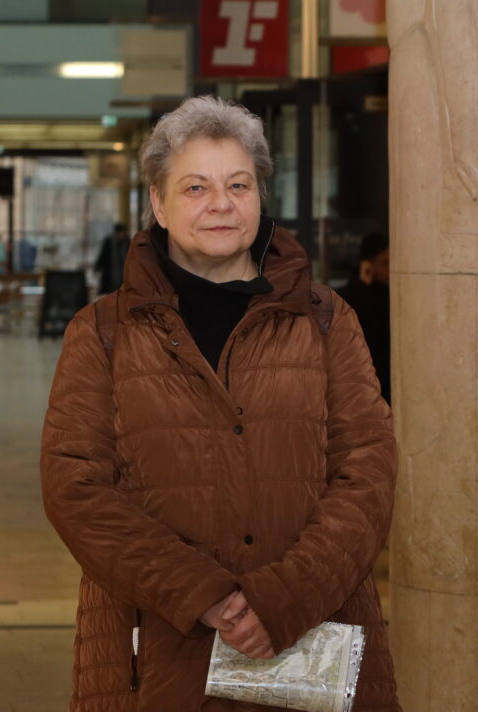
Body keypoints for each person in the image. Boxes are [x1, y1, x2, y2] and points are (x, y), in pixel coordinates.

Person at [40, 96, 400, 711]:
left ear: (260, 196)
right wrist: (201, 593)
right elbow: (75, 487)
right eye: (195, 187)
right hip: (156, 658)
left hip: (311, 645)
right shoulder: (102, 331)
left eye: (238, 184)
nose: (221, 204)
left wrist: (283, 598)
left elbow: (368, 467)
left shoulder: (324, 320)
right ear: (158, 202)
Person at [338, 233, 391, 403]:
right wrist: (363, 284)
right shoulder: (355, 295)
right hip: (365, 388)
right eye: (384, 263)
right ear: (369, 265)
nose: (390, 269)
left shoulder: (394, 294)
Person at [93, 222, 131, 294]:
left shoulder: (127, 242)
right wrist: (97, 268)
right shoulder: (108, 242)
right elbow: (102, 256)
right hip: (110, 274)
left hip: (122, 275)